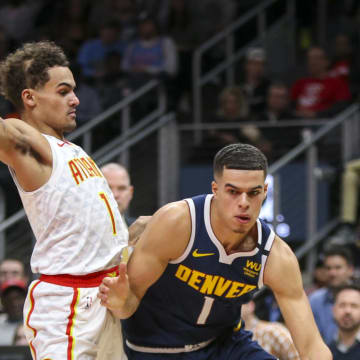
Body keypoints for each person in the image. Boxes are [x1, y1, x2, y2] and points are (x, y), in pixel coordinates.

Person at [99, 143, 332, 359]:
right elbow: (130, 303)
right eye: (233, 191)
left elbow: (311, 345)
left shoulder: (275, 255)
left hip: (225, 345)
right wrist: (119, 303)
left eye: (253, 192)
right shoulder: (178, 223)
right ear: (215, 189)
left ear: (265, 191)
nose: (244, 202)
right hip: (154, 348)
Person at [0, 41, 128, 359]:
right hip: (71, 305)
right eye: (63, 91)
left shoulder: (70, 148)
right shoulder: (31, 145)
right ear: (29, 98)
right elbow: (9, 134)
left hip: (106, 295)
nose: (75, 99)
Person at [309, 245, 355, 344]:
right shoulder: (315, 300)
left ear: (350, 270)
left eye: (338, 268)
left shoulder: (358, 298)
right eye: (328, 268)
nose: (332, 273)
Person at [290, 46, 351, 119]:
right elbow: (290, 105)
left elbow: (341, 107)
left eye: (316, 58)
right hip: (299, 122)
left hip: (325, 123)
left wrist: (316, 114)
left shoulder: (337, 83)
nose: (312, 62)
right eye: (309, 58)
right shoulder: (300, 83)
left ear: (327, 62)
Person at [329, 283, 360, 359]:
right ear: (333, 310)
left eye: (354, 306)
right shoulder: (326, 352)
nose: (347, 311)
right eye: (342, 305)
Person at [0, 279, 27, 345]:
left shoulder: (36, 324)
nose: (14, 303)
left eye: (18, 298)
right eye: (9, 299)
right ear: (3, 301)